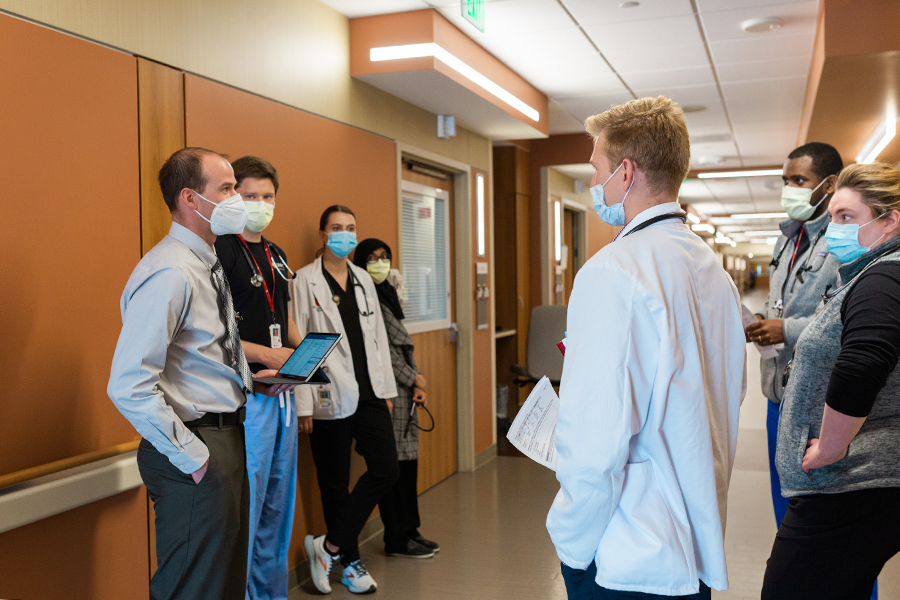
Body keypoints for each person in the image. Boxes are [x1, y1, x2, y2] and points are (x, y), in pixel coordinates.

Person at [545, 97, 746, 599]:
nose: (595, 184)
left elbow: (596, 437)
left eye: (597, 170)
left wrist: (570, 543)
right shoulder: (711, 270)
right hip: (694, 536)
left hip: (627, 554)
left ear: (626, 172)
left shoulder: (615, 271)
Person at [107, 147, 295, 600]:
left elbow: (206, 357)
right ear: (191, 199)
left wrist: (256, 380)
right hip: (195, 447)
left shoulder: (205, 262)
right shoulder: (170, 270)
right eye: (228, 189)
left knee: (222, 585)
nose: (239, 200)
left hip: (227, 435)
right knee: (192, 590)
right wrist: (194, 458)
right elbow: (128, 384)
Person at [761, 163, 900, 600]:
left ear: (889, 221)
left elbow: (863, 363)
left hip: (851, 483)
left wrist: (831, 445)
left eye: (847, 218)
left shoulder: (883, 277)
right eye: (833, 216)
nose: (834, 228)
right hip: (861, 481)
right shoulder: (869, 273)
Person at [289, 206, 399, 595]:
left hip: (369, 391)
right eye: (336, 228)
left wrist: (386, 391)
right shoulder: (303, 281)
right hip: (327, 392)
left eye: (351, 228)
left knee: (386, 468)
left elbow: (378, 340)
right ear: (322, 235)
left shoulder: (363, 280)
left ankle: (328, 546)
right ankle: (349, 564)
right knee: (333, 482)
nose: (344, 235)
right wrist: (303, 403)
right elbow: (297, 342)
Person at [214, 156, 302, 600]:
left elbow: (285, 324)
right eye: (250, 196)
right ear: (232, 197)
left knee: (277, 508)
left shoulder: (277, 254)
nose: (260, 204)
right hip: (248, 400)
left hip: (283, 396)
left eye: (267, 197)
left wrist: (308, 358)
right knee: (248, 512)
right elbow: (215, 333)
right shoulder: (221, 250)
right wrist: (268, 354)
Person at [745, 142, 843, 528]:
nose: (790, 189)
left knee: (830, 528)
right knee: (786, 516)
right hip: (778, 397)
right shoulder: (787, 239)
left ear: (829, 184)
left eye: (800, 180)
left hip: (820, 405)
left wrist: (783, 329)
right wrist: (762, 319)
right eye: (786, 180)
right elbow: (780, 303)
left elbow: (844, 319)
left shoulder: (843, 240)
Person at [352, 238, 439, 559]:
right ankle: (397, 537)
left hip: (406, 390)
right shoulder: (365, 297)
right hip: (389, 390)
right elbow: (383, 352)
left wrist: (416, 380)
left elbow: (402, 344)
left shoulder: (387, 292)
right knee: (394, 467)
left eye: (384, 257)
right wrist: (413, 377)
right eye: (372, 258)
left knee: (408, 464)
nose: (380, 263)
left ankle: (410, 529)